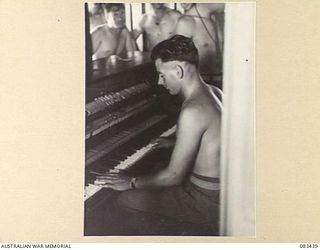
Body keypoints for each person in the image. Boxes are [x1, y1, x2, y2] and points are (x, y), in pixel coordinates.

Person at [96, 35, 222, 234]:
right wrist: (175, 142)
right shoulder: (214, 92)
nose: (159, 82)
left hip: (205, 202)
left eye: (162, 74)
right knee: (156, 166)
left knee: (124, 199)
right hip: (221, 193)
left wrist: (130, 182)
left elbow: (173, 177)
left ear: (178, 71)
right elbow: (212, 143)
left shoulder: (192, 110)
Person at [176, 3, 225, 87]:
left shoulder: (220, 17)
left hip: (223, 82)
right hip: (202, 84)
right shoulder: (186, 22)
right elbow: (177, 61)